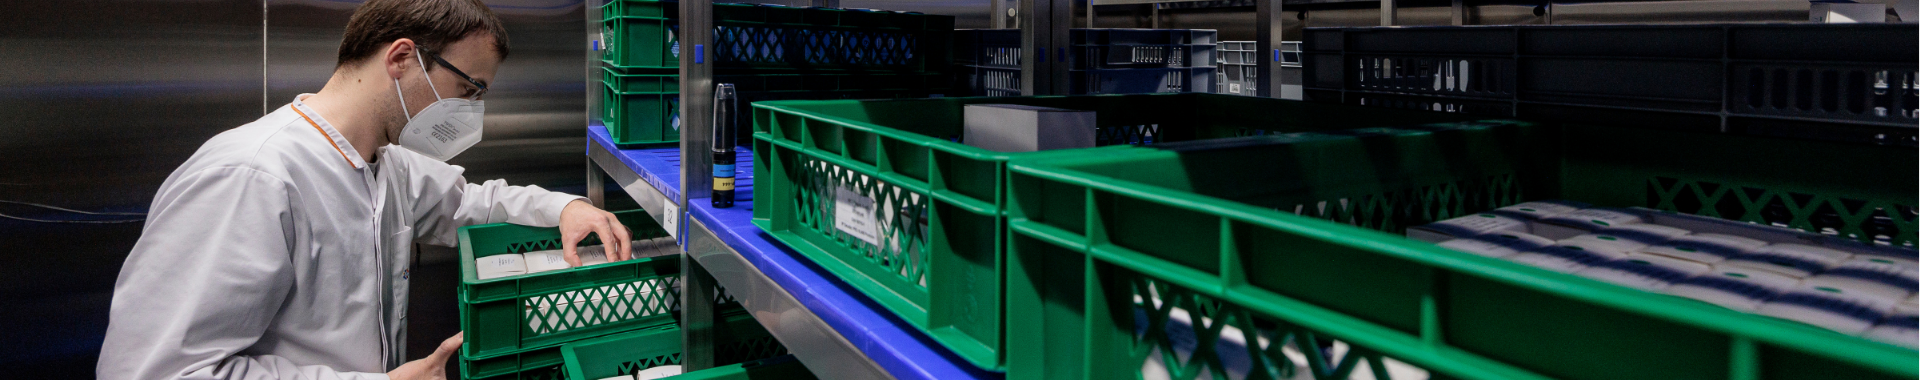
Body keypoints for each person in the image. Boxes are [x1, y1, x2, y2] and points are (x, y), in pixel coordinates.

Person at [97, 1, 631, 379]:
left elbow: (472, 202)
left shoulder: (386, 163)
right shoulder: (252, 176)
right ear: (401, 58)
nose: (470, 113)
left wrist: (567, 206)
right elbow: (155, 370)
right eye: (467, 89)